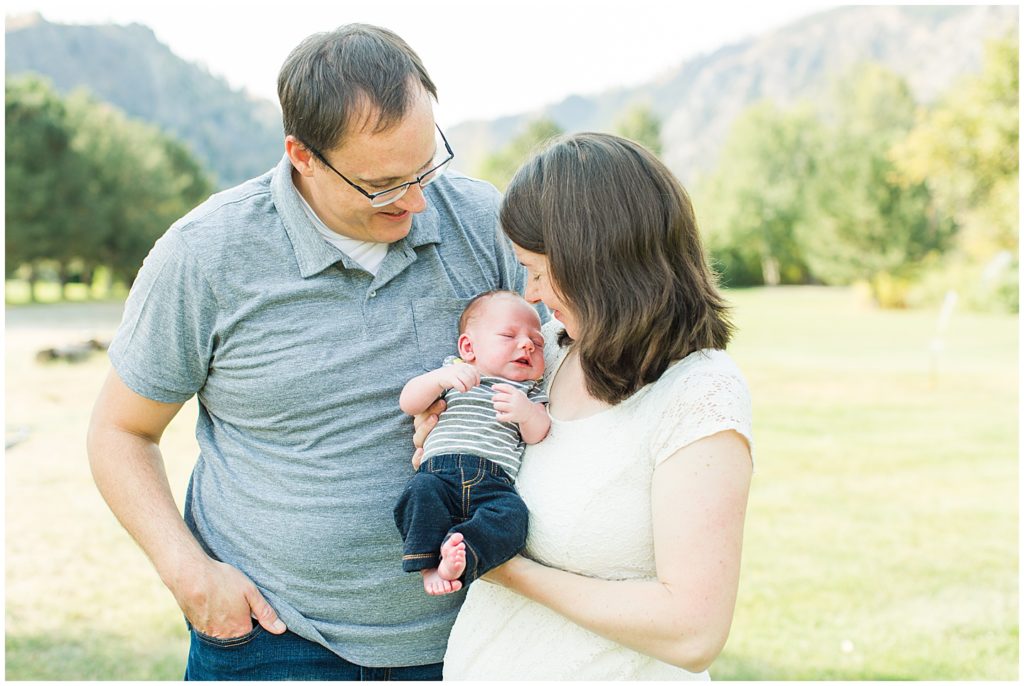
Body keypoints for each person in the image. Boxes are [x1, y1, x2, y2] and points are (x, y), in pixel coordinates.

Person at [86, 24, 528, 681]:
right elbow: (121, 430)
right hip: (273, 638)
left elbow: (569, 377)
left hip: (476, 636)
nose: (415, 199)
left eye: (427, 165)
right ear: (302, 155)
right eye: (382, 185)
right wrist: (188, 574)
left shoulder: (485, 223)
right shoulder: (205, 254)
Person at [414, 132, 754, 680]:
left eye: (540, 271)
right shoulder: (547, 350)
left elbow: (694, 631)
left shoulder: (698, 393)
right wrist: (443, 431)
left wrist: (498, 564)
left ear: (597, 264)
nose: (529, 293)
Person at [394, 290, 549, 596]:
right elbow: (409, 402)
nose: (528, 344)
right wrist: (439, 379)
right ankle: (428, 566)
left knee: (512, 517)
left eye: (538, 343)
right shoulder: (453, 374)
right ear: (468, 347)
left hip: (494, 483)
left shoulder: (528, 391)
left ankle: (461, 554)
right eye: (508, 335)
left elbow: (538, 432)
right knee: (419, 494)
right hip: (439, 473)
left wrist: (526, 413)